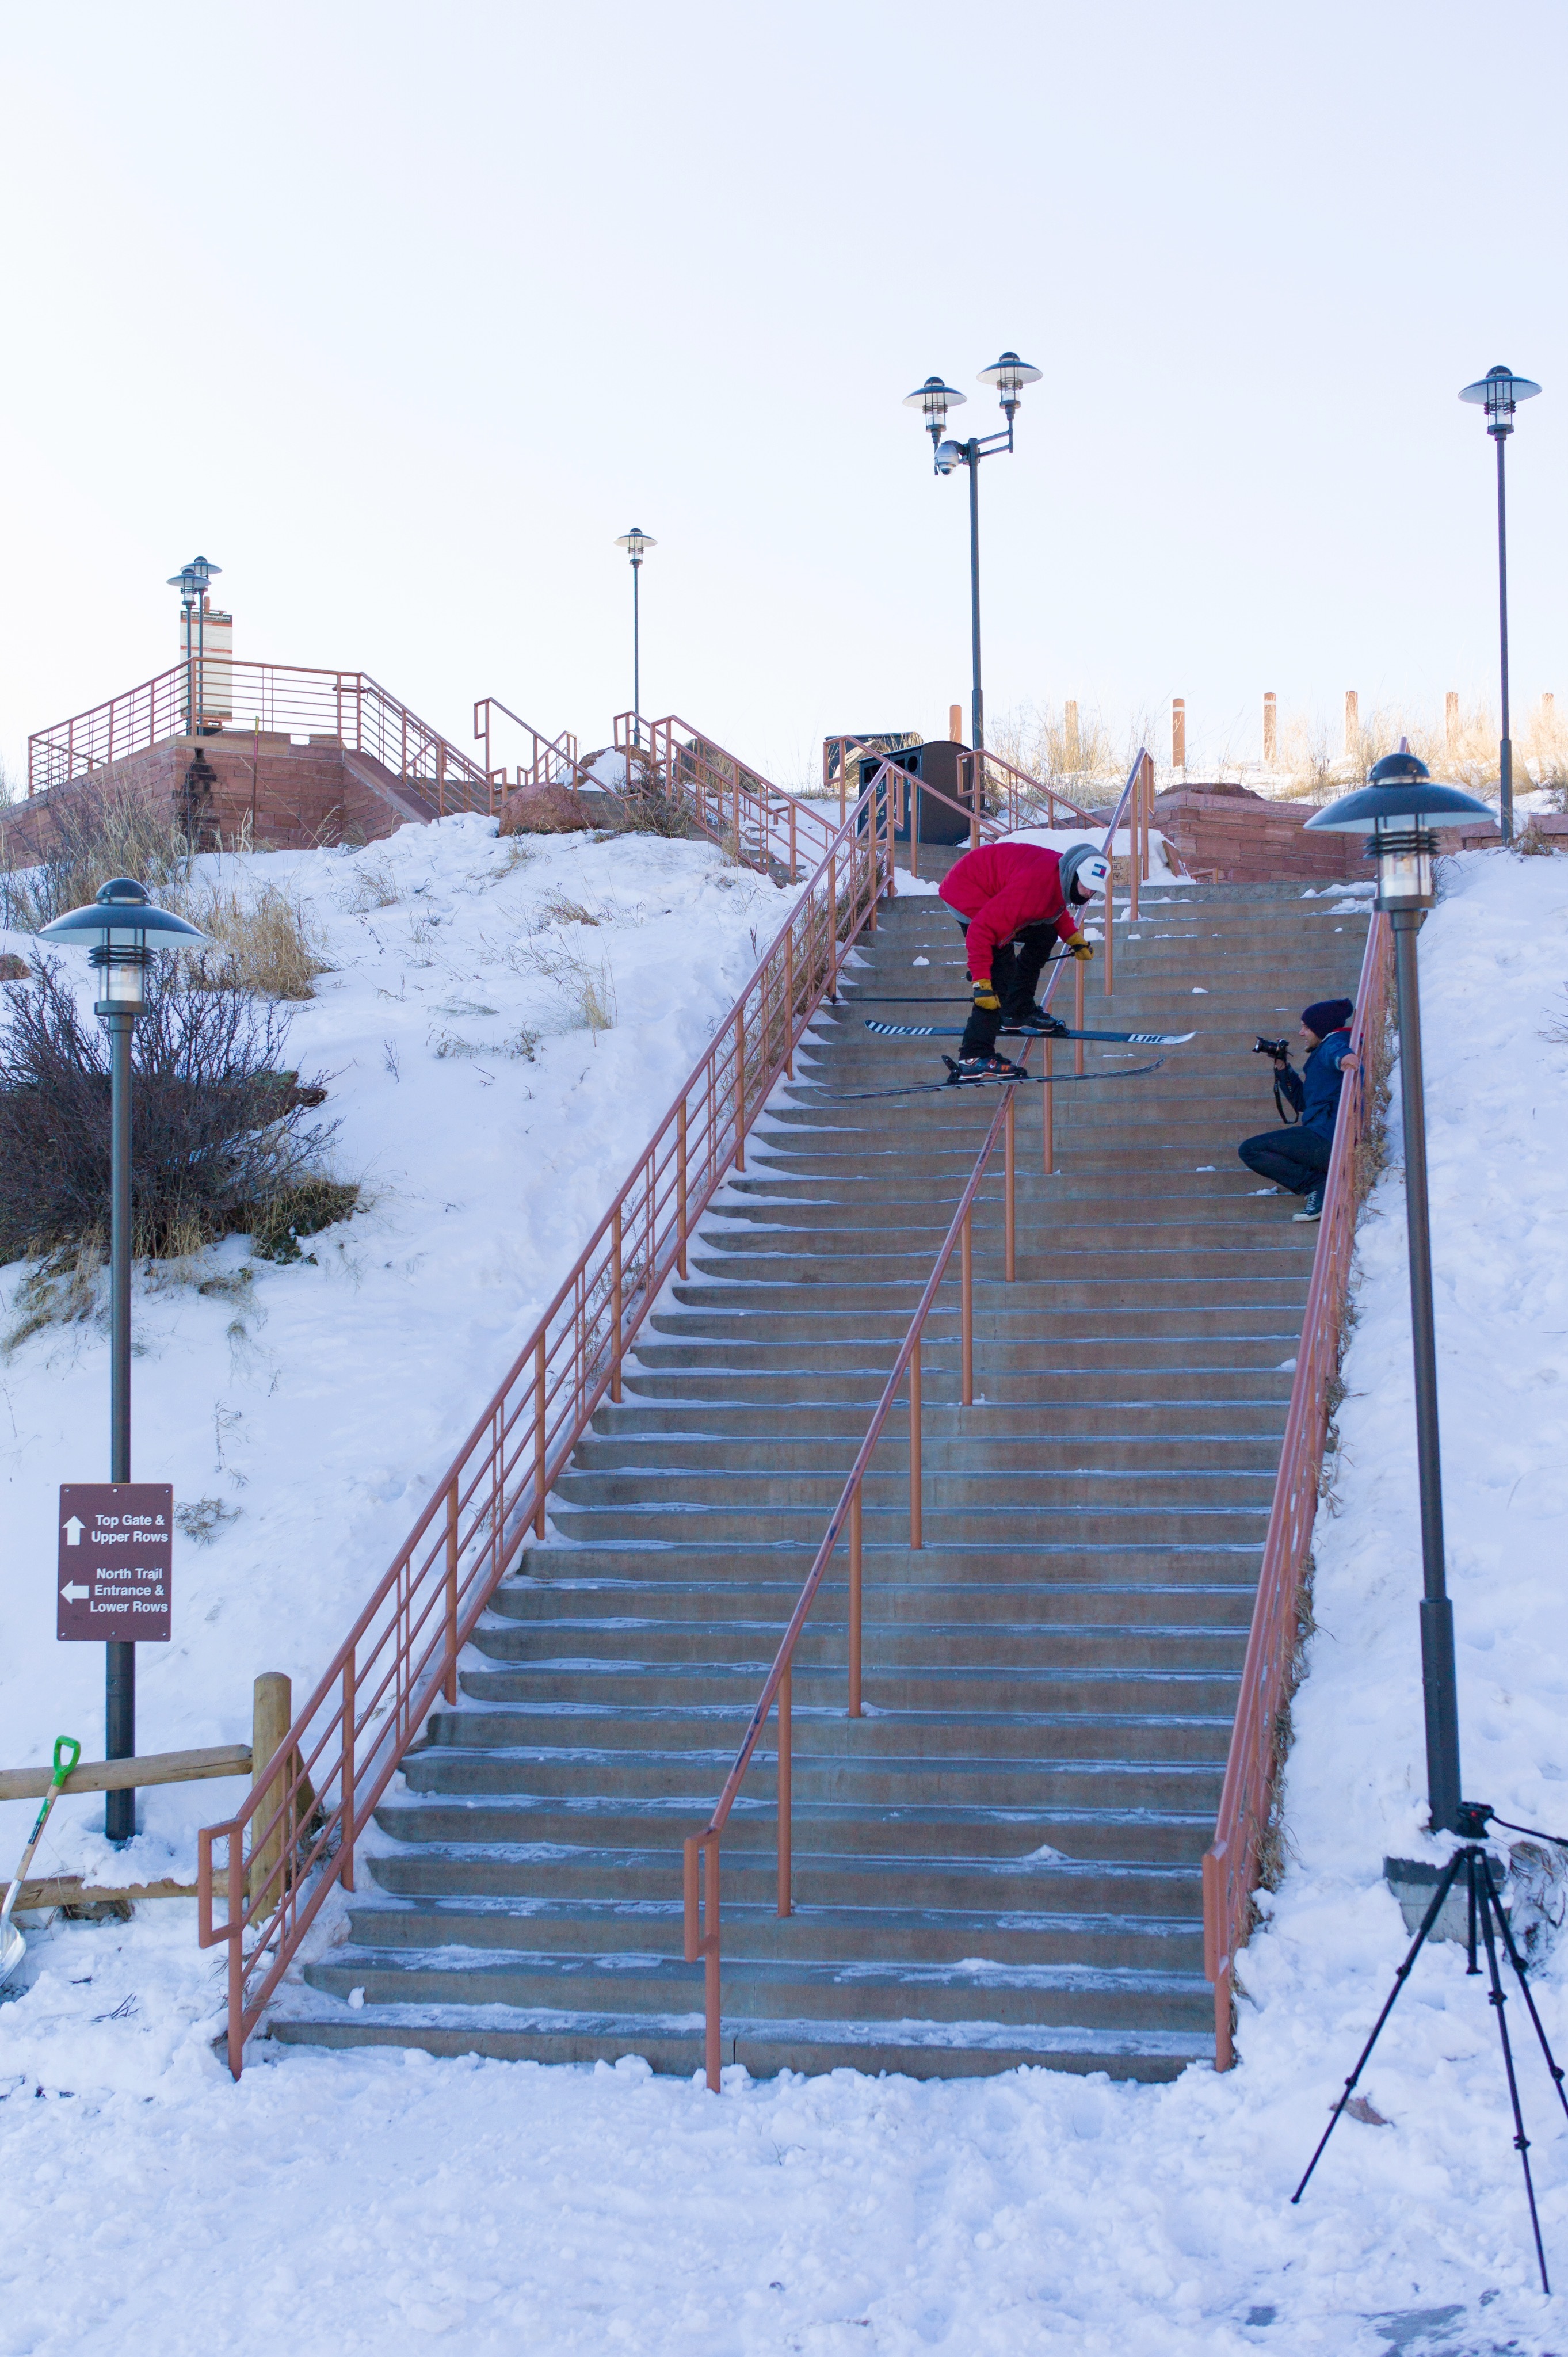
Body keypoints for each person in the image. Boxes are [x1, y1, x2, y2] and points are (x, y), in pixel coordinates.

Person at [937, 839, 1112, 1080]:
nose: (1088, 894)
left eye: (1094, 890)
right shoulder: (1033, 887)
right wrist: (981, 982)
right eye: (1086, 887)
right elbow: (981, 930)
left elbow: (1053, 908)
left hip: (998, 887)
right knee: (1000, 969)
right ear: (1074, 875)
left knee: (1045, 933)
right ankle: (974, 1055)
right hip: (966, 889)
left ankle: (1016, 1010)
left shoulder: (1061, 875)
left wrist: (1074, 939)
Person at [1238, 998, 1357, 1223]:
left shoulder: (1333, 1043)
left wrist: (1344, 1059)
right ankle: (1321, 1182)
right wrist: (1282, 1067)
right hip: (1324, 1133)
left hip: (1328, 1136)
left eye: (1307, 1027)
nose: (1301, 1033)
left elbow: (1338, 1052)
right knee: (1257, 1148)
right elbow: (1303, 1103)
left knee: (1251, 1150)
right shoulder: (1322, 1052)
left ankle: (1319, 1185)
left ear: (1322, 1029)